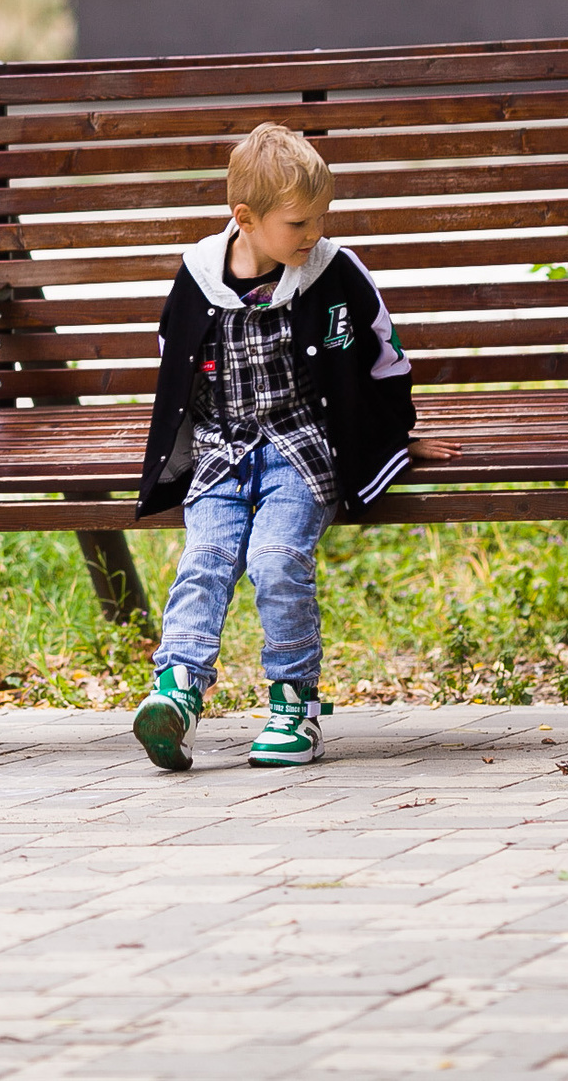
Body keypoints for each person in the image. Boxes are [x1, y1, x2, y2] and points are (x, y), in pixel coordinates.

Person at [128, 123, 459, 771]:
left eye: (320, 218)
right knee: (208, 555)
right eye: (300, 222)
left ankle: (294, 704)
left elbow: (383, 356)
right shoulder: (199, 278)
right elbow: (173, 364)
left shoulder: (331, 273)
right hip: (222, 452)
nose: (314, 234)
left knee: (277, 558)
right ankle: (178, 692)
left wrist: (395, 436)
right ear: (245, 219)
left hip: (299, 452)